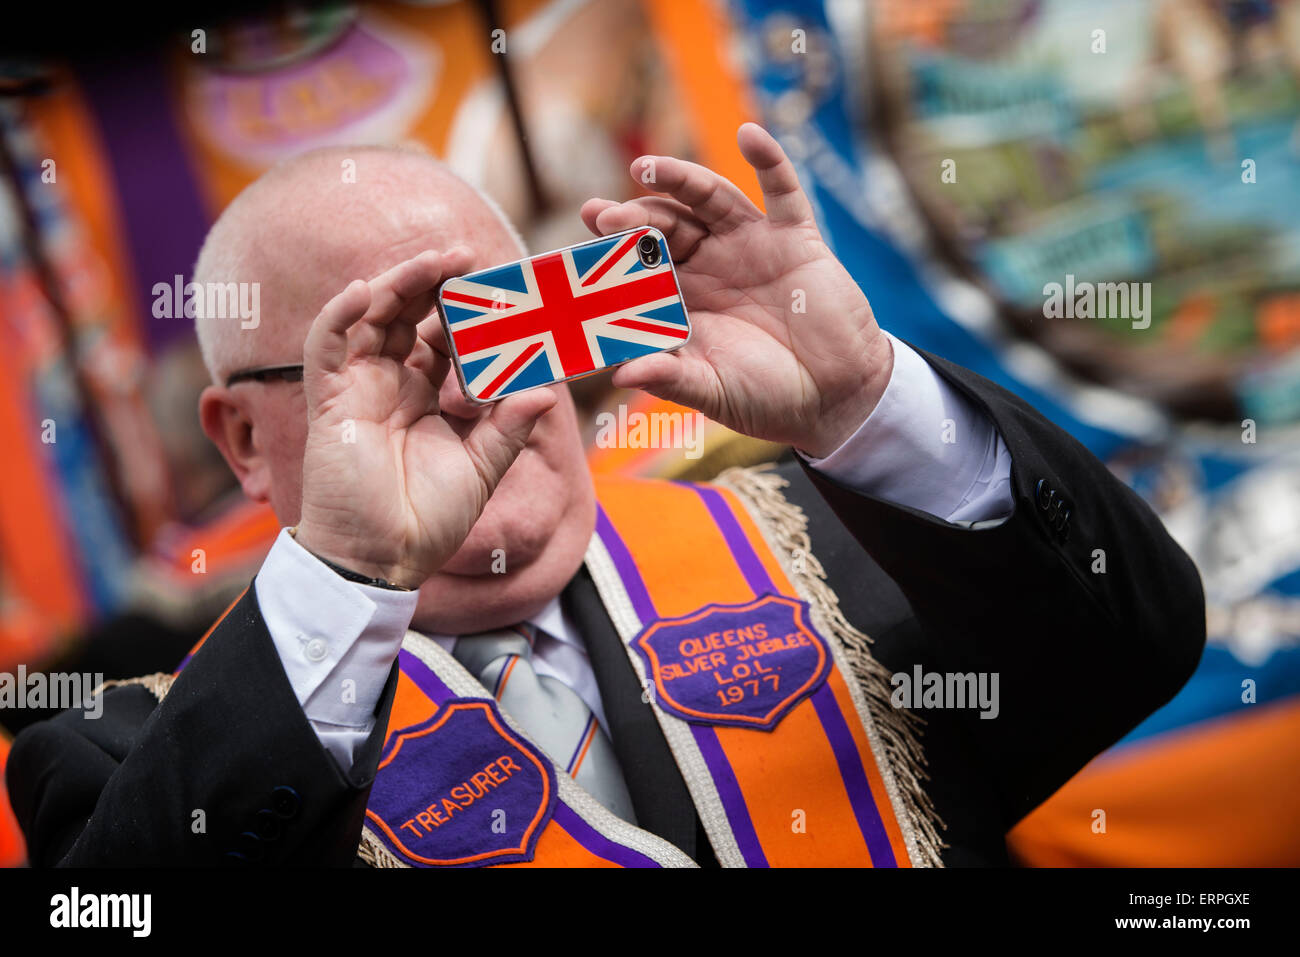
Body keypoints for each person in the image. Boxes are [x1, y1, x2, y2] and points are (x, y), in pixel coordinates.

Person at [6, 125, 1205, 867]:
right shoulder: (114, 756)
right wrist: (351, 573)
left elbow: (1140, 643)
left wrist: (864, 400)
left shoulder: (836, 538)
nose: (469, 392)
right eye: (382, 360)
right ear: (245, 443)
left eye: (494, 324)